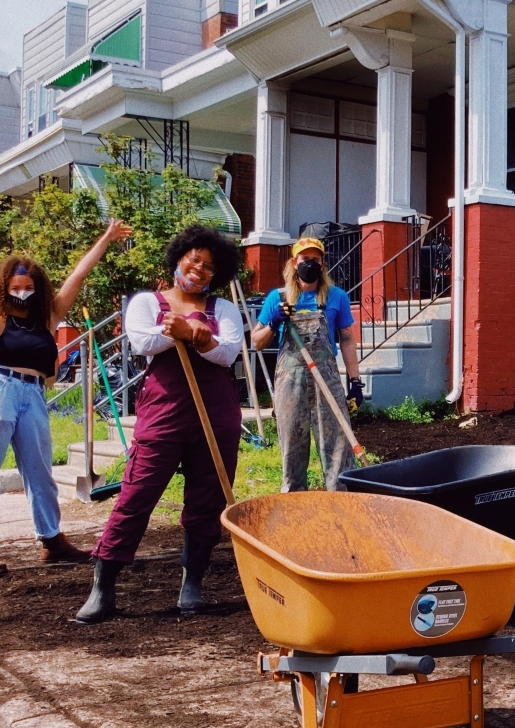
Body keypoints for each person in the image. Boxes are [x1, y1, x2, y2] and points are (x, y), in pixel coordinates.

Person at [0, 219, 132, 576]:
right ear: (5, 288)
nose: (23, 292)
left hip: (33, 395)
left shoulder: (49, 318)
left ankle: (51, 539)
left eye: (29, 287)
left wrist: (106, 238)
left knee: (40, 471)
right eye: (17, 287)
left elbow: (77, 275)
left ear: (39, 288)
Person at [77, 224, 243, 624]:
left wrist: (200, 338)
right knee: (136, 497)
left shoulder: (223, 310)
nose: (199, 270)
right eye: (194, 260)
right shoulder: (146, 302)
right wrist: (181, 331)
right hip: (164, 414)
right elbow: (141, 341)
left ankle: (193, 583)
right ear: (179, 259)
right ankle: (104, 585)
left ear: (215, 276)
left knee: (206, 502)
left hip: (214, 415)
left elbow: (229, 352)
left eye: (208, 267)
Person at [252, 237, 362, 492]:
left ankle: (343, 509)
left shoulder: (336, 297)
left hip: (327, 382)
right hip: (291, 384)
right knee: (292, 450)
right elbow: (256, 342)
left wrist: (355, 382)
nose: (310, 264)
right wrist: (274, 322)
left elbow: (346, 339)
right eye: (305, 260)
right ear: (294, 263)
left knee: (338, 452)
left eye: (315, 260)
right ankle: (294, 508)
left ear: (322, 264)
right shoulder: (277, 298)